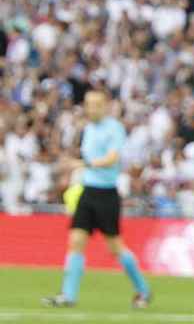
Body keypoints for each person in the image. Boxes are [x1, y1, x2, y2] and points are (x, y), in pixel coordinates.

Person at [43, 89, 152, 309]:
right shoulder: (88, 129)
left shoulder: (115, 128)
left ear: (105, 106)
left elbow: (112, 159)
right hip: (88, 192)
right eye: (88, 104)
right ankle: (68, 295)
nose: (91, 108)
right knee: (75, 242)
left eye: (96, 104)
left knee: (115, 247)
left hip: (106, 194)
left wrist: (83, 164)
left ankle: (143, 290)